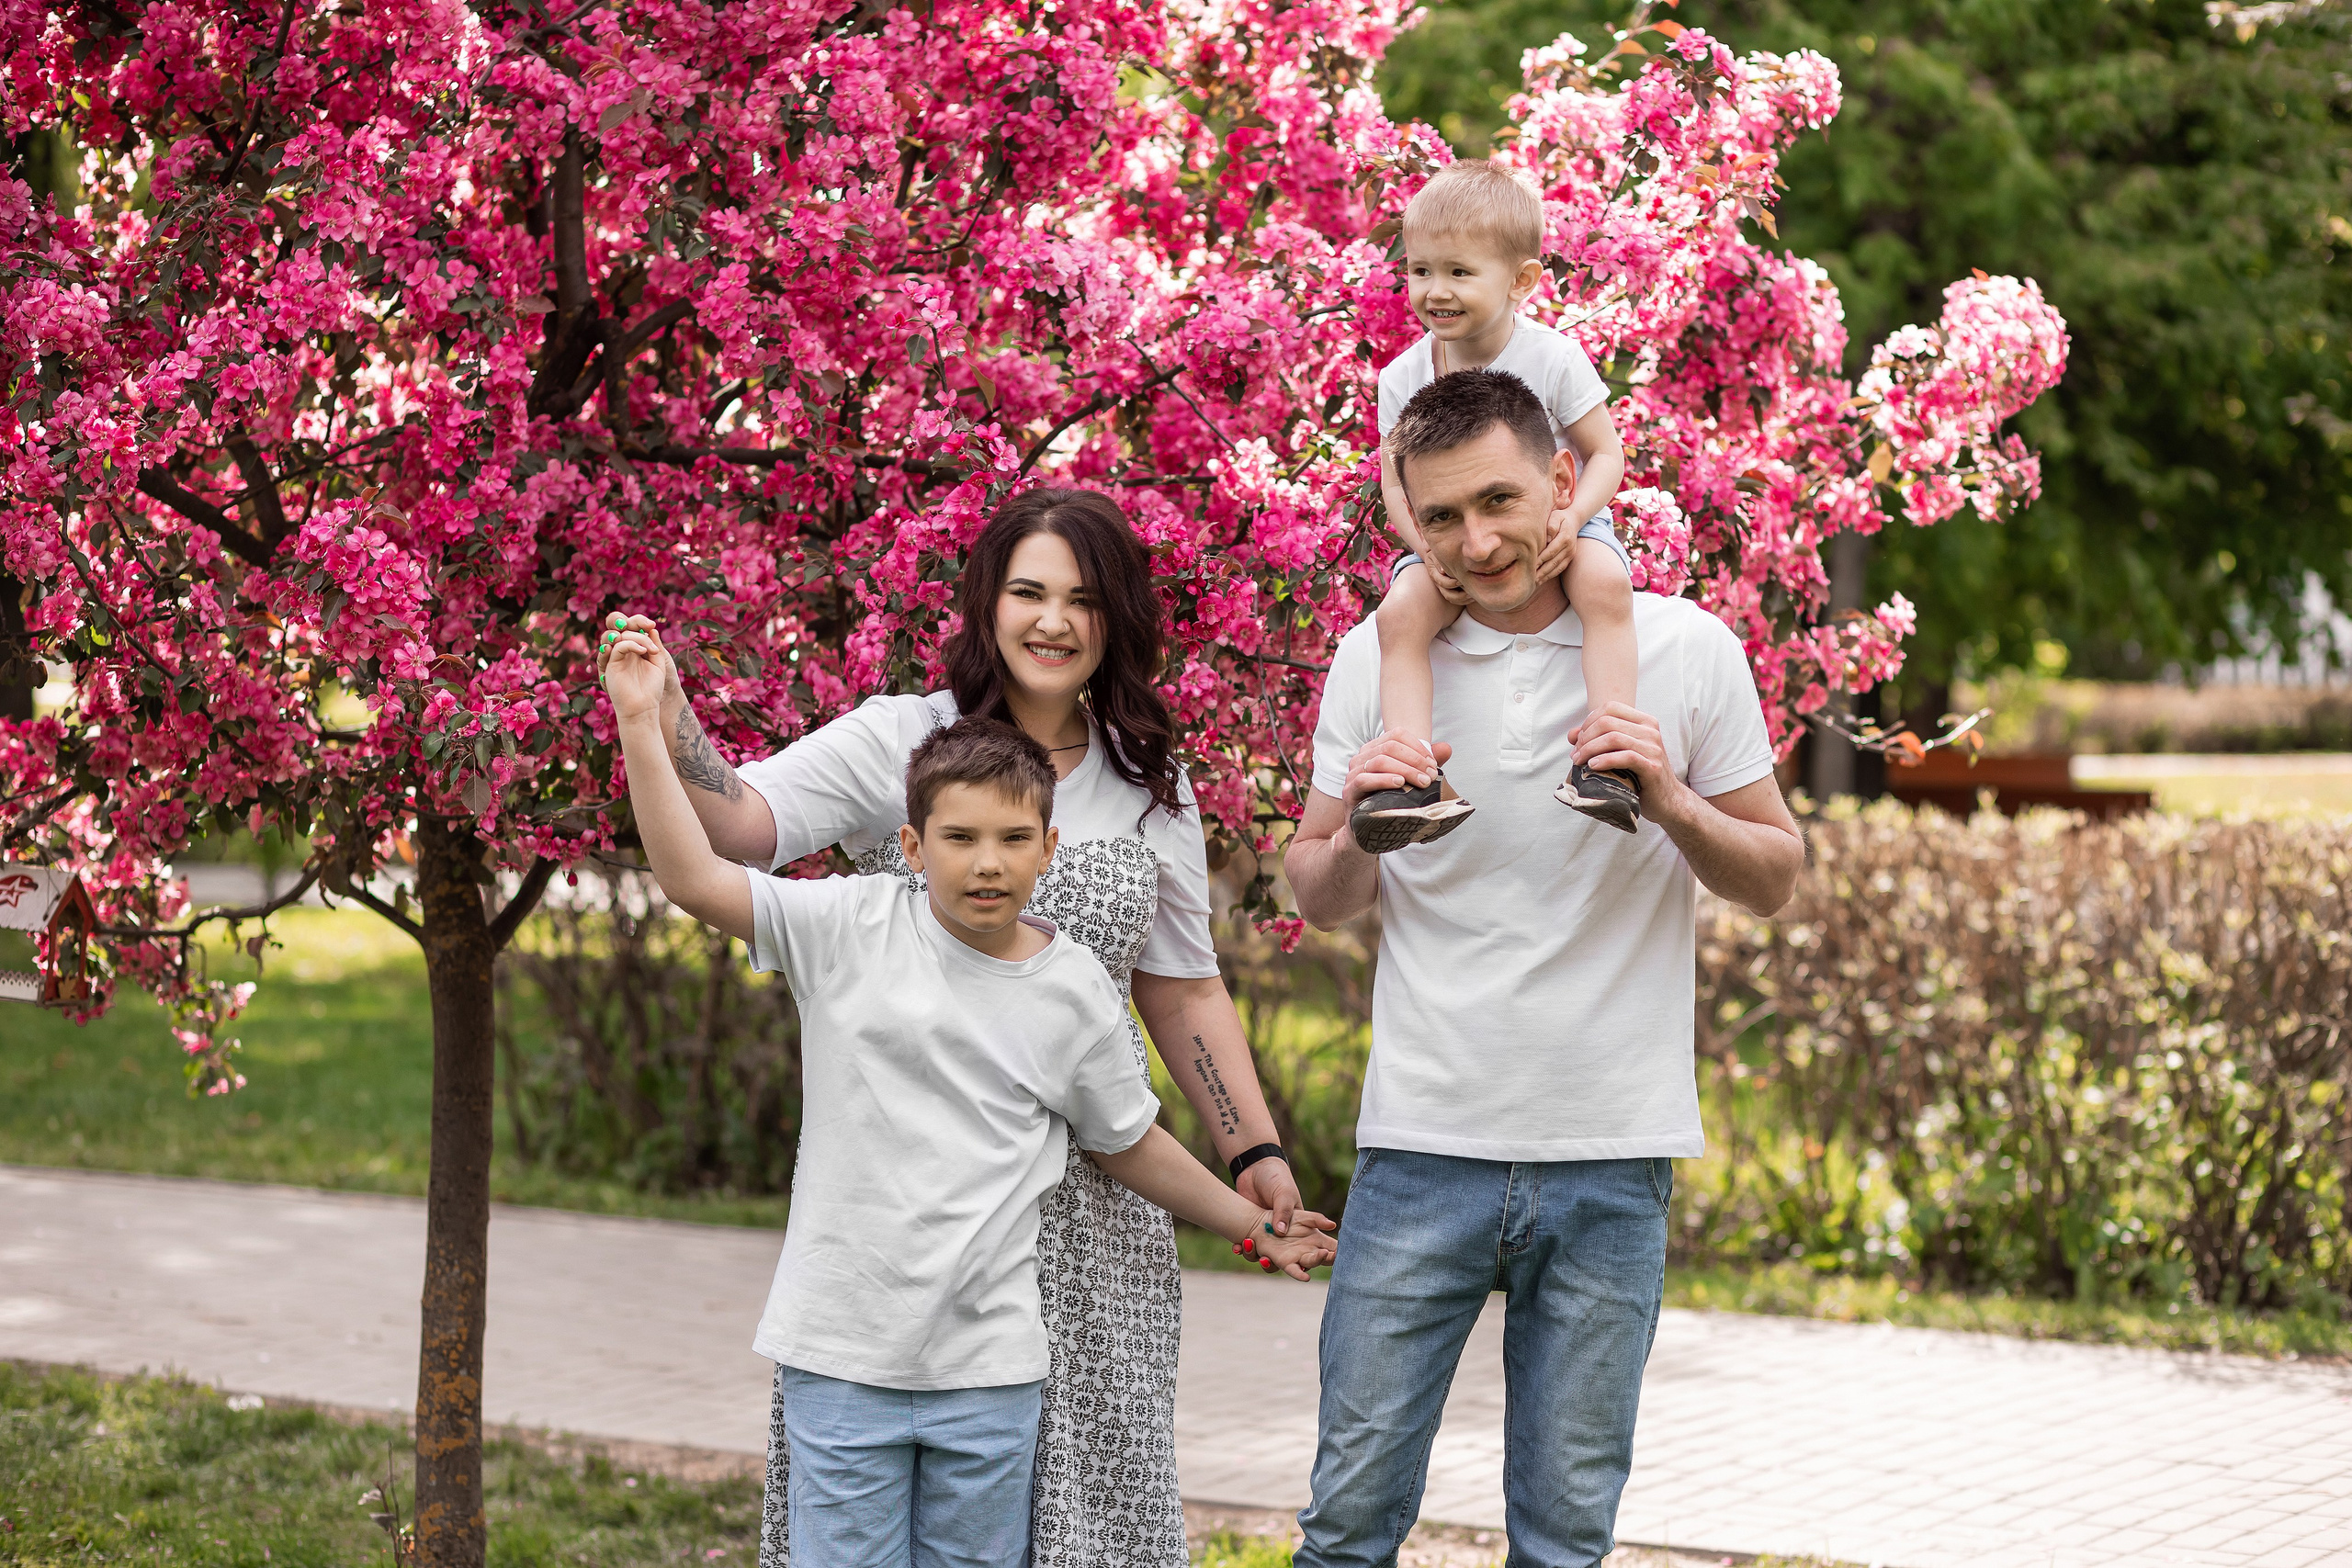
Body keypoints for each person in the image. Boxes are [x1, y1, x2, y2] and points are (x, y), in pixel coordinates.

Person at [596, 488, 1328, 1568]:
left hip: (1102, 1200)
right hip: (916, 1206)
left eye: (1082, 599)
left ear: (1115, 617)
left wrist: (1252, 1151)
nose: (1052, 620)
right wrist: (660, 718)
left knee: (1077, 1510)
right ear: (988, 605)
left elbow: (1181, 989)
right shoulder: (905, 738)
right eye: (1028, 591)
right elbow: (739, 828)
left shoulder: (1150, 784)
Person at [1283, 367, 1806, 1567]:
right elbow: (1313, 889)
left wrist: (1669, 794)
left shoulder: (1682, 648)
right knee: (1350, 1514)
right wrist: (1359, 826)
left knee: (1566, 1530)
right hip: (1420, 1146)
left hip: (1611, 1158)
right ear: (1408, 523)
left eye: (1501, 500)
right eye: (1441, 519)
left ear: (1566, 480)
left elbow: (1775, 873)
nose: (1478, 541)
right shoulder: (1378, 661)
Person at [1355, 159, 1637, 852]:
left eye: (1459, 272)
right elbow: (1397, 482)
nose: (1435, 291)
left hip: (1557, 517)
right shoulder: (1402, 375)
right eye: (1421, 271)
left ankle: (1610, 756)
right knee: (1401, 615)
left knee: (1604, 584)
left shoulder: (1552, 357)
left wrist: (1572, 521)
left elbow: (1607, 454)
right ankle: (1412, 773)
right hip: (1450, 533)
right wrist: (1424, 548)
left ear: (1521, 280)